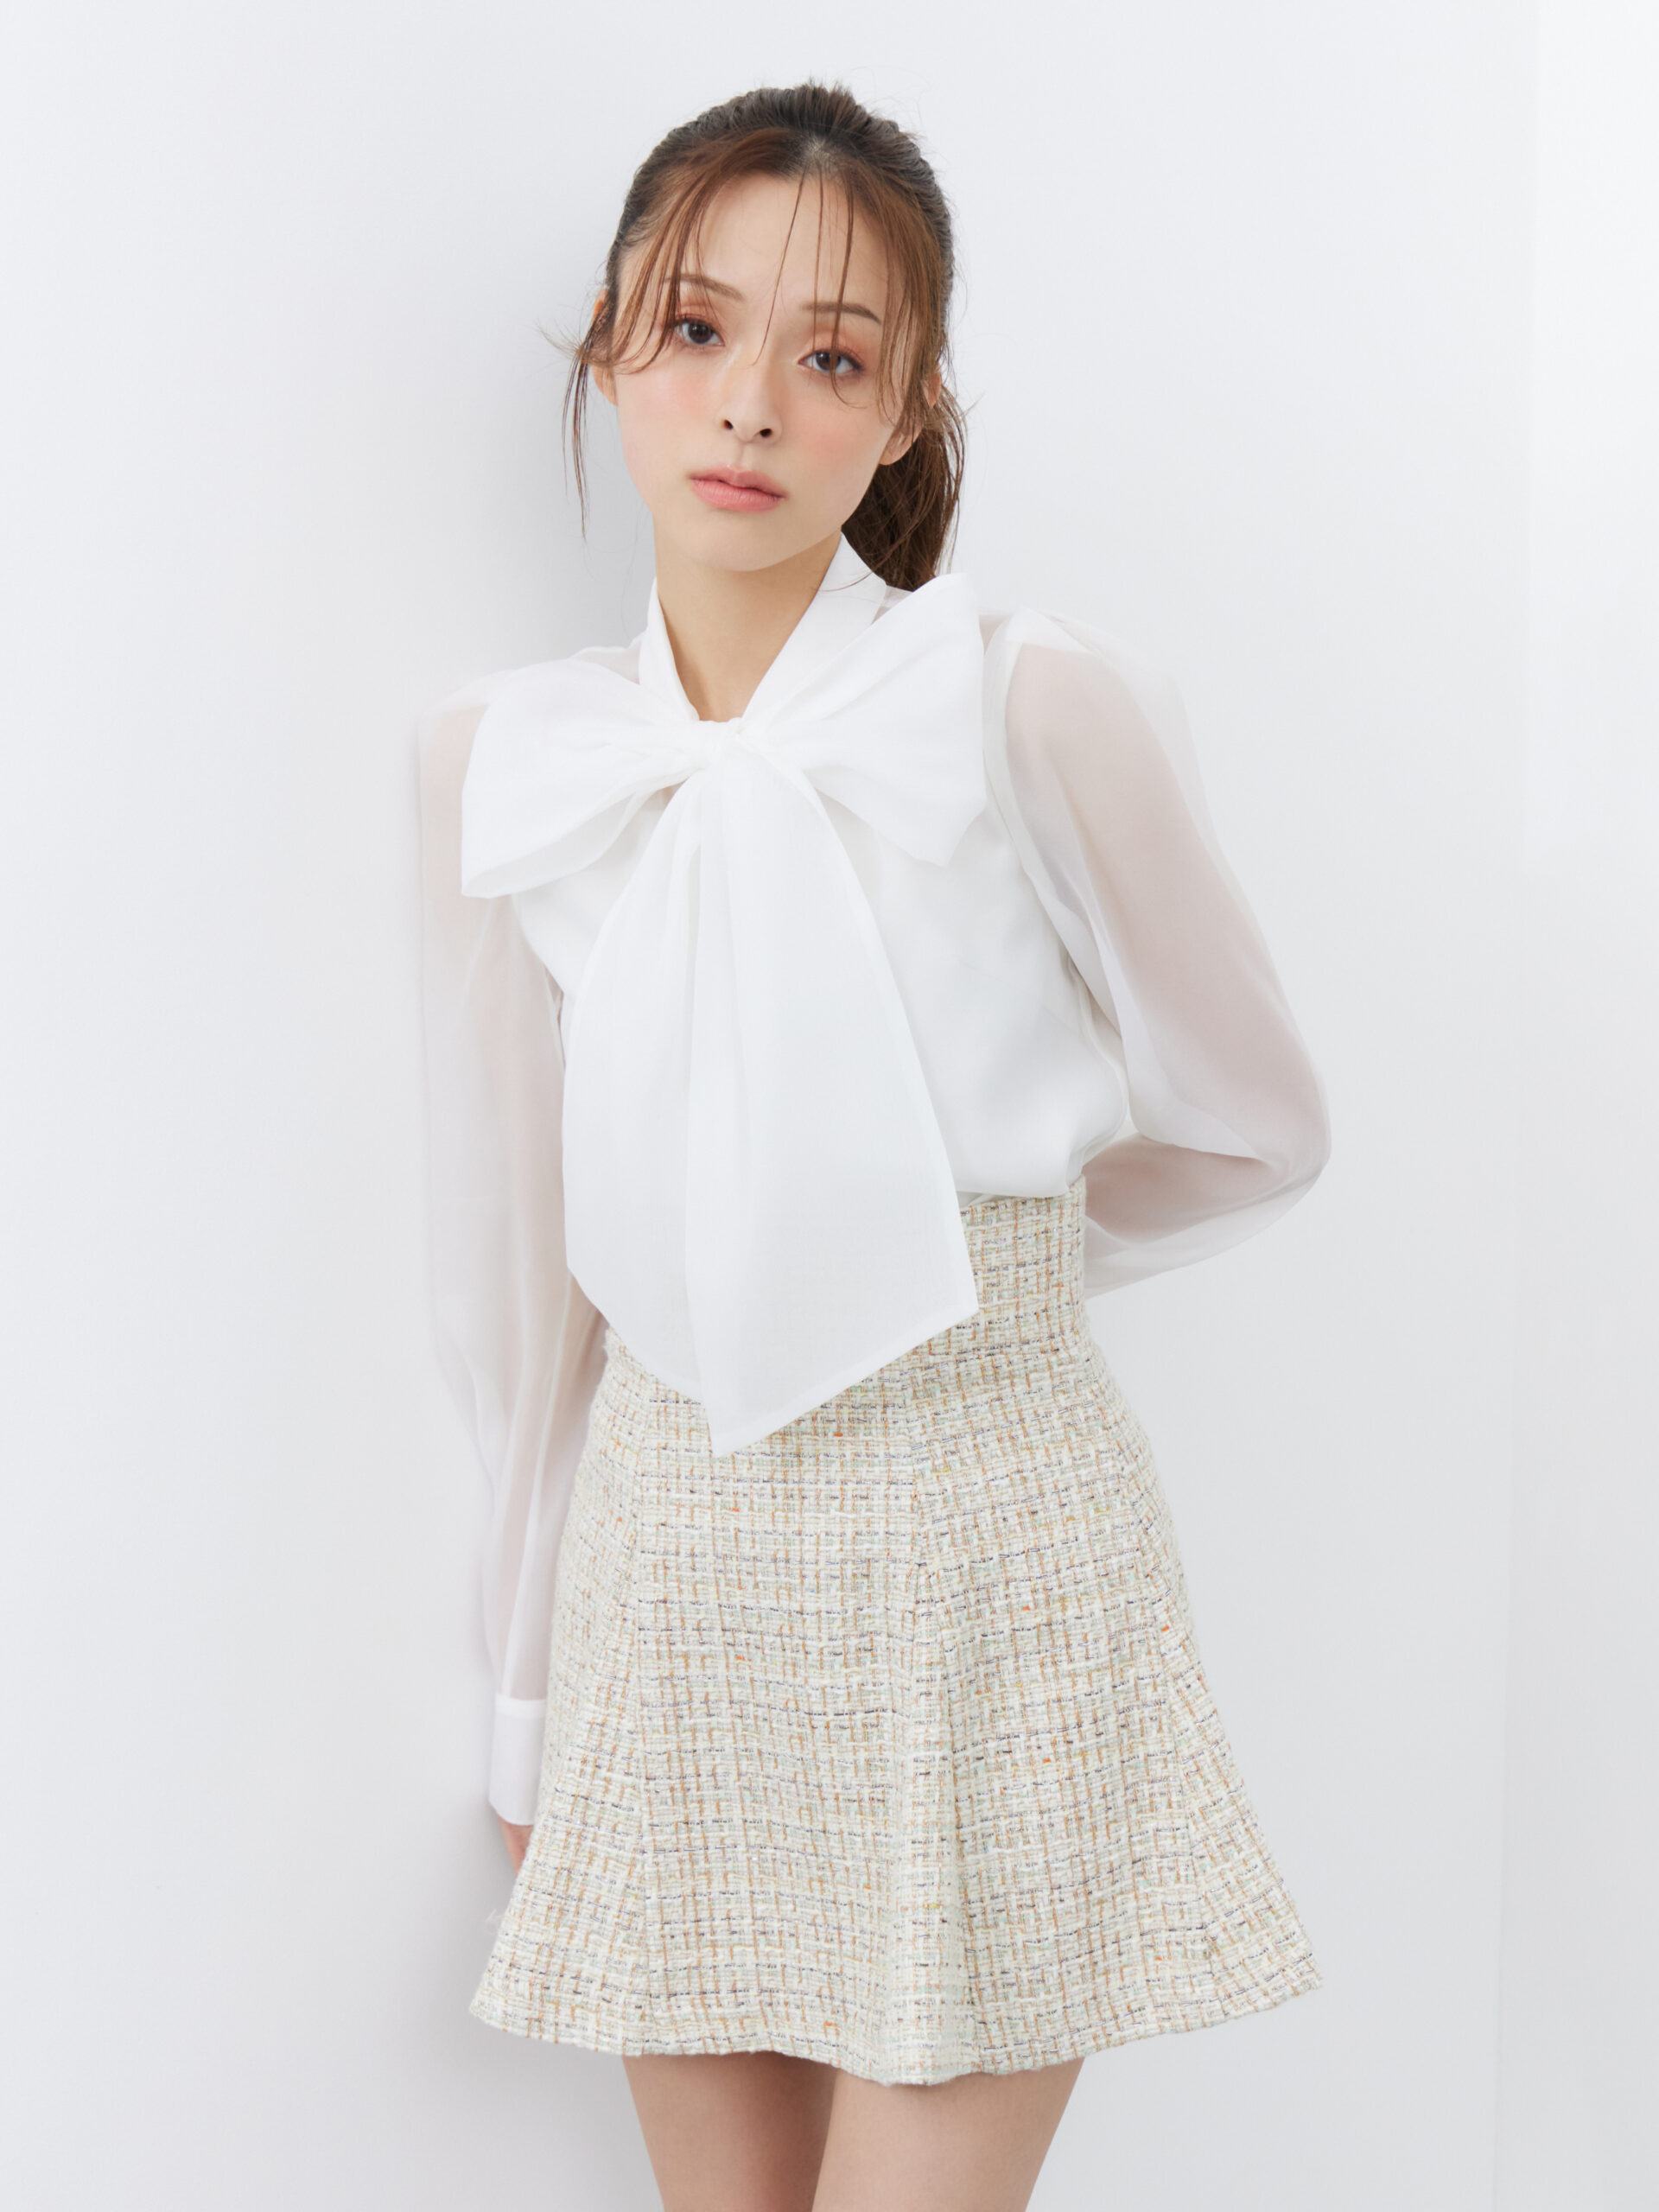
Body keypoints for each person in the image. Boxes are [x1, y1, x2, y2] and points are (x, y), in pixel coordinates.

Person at [416, 79, 1330, 2212]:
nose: (750, 402)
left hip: (984, 1555)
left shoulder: (1024, 697)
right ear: (611, 347)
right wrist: (526, 1693)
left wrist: (946, 1251)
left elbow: (1260, 1124)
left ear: (909, 410)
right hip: (667, 1572)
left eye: (831, 357)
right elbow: (523, 1285)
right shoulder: (515, 759)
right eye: (694, 328)